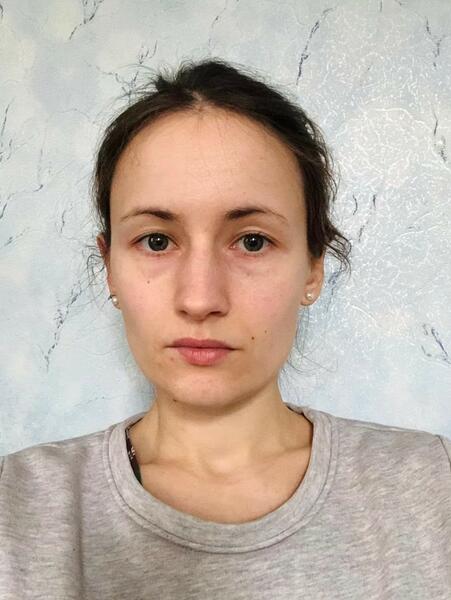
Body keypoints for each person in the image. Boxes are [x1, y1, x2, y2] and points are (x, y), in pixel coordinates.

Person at [0, 57, 450, 599]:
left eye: (252, 242)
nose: (200, 299)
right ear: (110, 267)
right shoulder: (18, 508)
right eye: (157, 241)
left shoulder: (431, 486)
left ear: (312, 269)